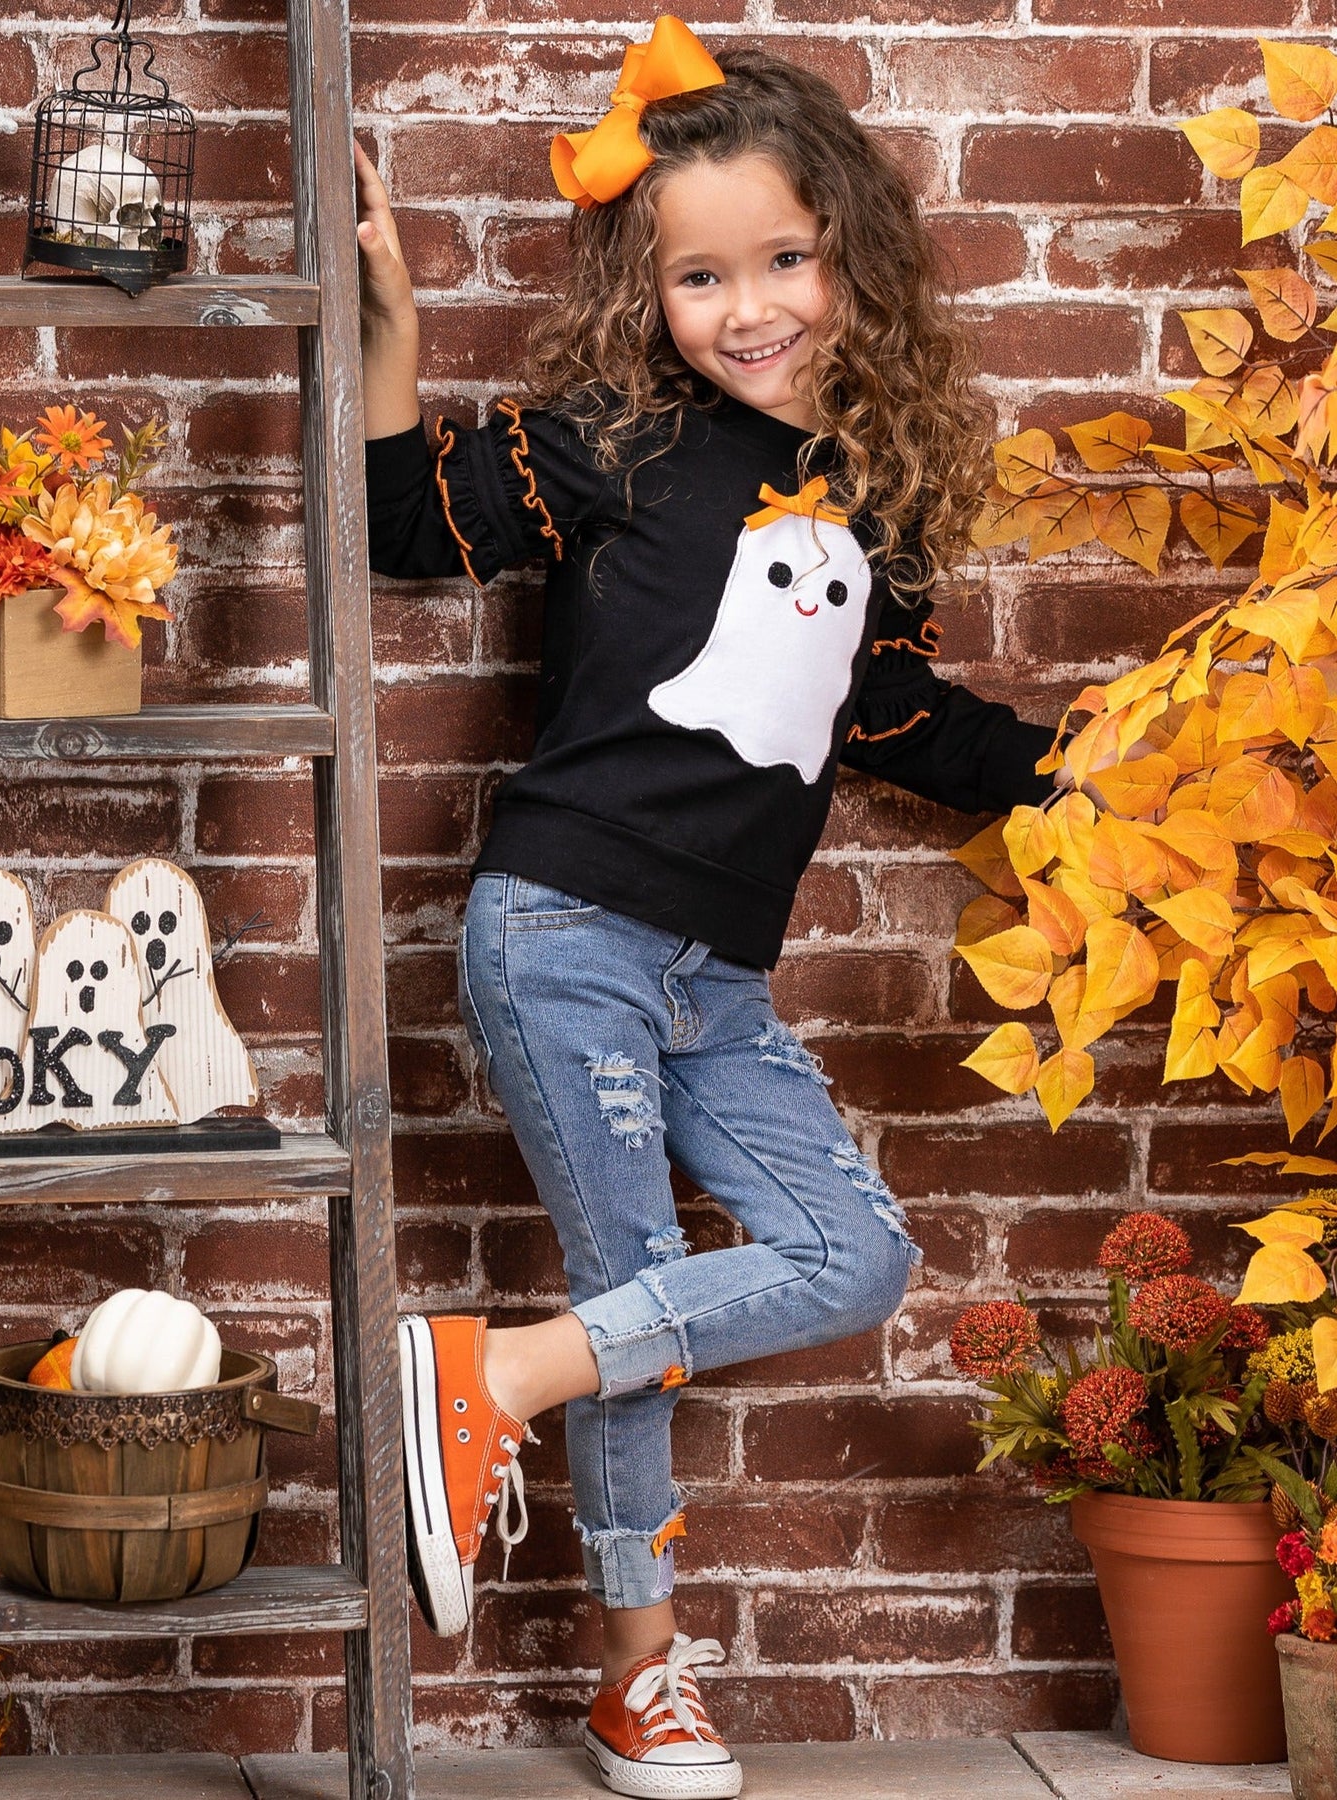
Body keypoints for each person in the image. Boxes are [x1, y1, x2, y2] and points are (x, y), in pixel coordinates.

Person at [357, 19, 1057, 1796]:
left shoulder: (876, 492)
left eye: (784, 260)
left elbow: (886, 714)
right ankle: (640, 1682)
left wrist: (1079, 770)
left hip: (718, 979)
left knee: (851, 1256)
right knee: (642, 1292)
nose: (749, 309)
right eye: (699, 276)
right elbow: (403, 527)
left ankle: (500, 1373)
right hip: (563, 930)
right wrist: (393, 334)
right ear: (646, 289)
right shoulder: (618, 441)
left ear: (851, 257)